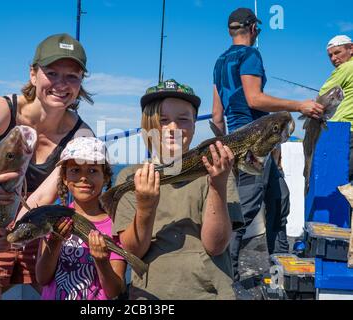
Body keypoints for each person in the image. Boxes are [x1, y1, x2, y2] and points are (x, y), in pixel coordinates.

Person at [0, 33, 94, 299]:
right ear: (33, 74)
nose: (61, 84)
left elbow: (44, 195)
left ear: (81, 83)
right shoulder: (1, 109)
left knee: (63, 291)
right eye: (52, 73)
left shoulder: (82, 136)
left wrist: (15, 234)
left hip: (32, 221)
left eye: (72, 76)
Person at [212, 8, 325, 281]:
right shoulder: (251, 55)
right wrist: (299, 105)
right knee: (245, 211)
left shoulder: (219, 61)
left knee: (280, 200)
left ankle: (281, 270)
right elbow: (254, 99)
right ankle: (229, 279)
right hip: (254, 144)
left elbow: (216, 118)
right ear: (253, 29)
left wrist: (226, 149)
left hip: (236, 142)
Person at [113, 79, 244, 300]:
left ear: (194, 125)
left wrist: (217, 185)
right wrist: (145, 208)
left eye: (183, 120)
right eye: (163, 120)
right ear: (147, 126)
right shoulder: (129, 177)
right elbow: (133, 251)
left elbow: (216, 245)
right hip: (151, 295)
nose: (172, 128)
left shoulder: (218, 170)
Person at [34, 137, 127, 300]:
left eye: (92, 170)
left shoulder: (115, 225)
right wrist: (55, 242)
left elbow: (114, 291)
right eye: (75, 170)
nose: (83, 178)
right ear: (64, 177)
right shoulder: (54, 219)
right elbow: (42, 278)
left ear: (105, 177)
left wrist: (102, 261)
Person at [320, 35, 353, 180]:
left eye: (337, 52)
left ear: (351, 48)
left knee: (338, 182)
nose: (333, 58)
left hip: (345, 132)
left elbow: (321, 99)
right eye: (330, 55)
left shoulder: (346, 68)